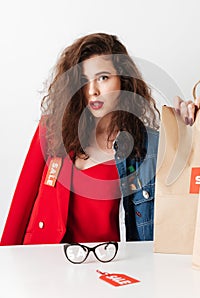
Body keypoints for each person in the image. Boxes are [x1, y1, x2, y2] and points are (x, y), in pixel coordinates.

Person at [0, 33, 162, 245]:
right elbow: (20, 209)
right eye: (84, 81)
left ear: (123, 80)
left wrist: (188, 125)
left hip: (102, 267)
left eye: (103, 77)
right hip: (40, 262)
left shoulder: (142, 147)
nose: (92, 91)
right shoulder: (52, 129)